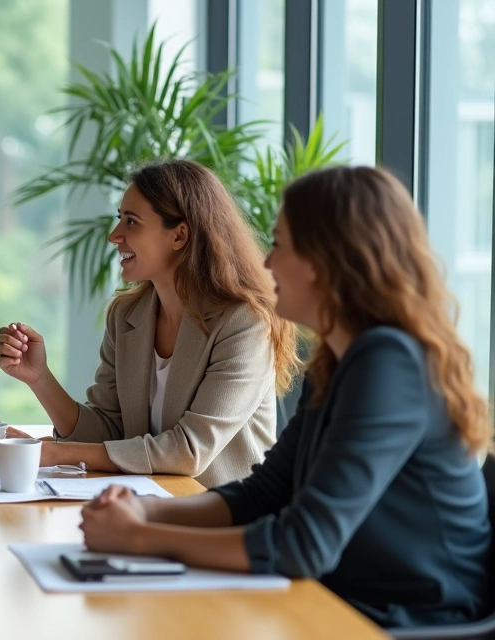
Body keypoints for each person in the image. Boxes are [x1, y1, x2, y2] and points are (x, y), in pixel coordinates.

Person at [78, 166, 491, 628]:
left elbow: (303, 544)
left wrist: (141, 538)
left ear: (323, 262)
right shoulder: (338, 361)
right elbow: (267, 491)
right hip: (344, 600)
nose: (267, 263)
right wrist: (148, 510)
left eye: (279, 244)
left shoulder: (389, 364)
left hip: (413, 619)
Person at [0, 159, 299, 487]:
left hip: (223, 518)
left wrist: (57, 453)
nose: (115, 235)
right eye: (119, 219)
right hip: (146, 505)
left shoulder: (246, 323)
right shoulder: (126, 316)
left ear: (180, 235)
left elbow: (189, 451)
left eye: (132, 222)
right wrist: (39, 378)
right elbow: (107, 431)